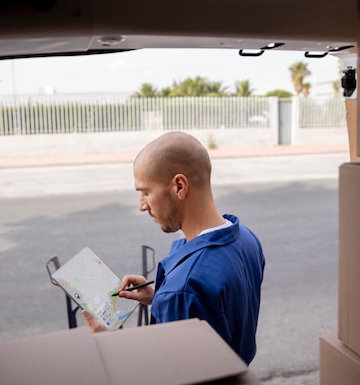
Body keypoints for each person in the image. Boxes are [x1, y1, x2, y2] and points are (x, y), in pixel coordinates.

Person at [82, 130, 265, 365]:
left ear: (179, 186)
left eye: (146, 192)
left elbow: (166, 377)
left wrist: (108, 342)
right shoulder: (247, 239)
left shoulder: (184, 288)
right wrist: (160, 298)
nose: (142, 206)